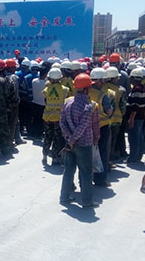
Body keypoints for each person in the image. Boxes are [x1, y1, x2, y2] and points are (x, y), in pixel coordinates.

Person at [59, 73, 99, 208]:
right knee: (86, 173)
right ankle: (87, 201)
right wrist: (73, 140)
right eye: (90, 87)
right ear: (86, 89)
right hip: (83, 144)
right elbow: (82, 127)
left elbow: (62, 122)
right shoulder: (88, 106)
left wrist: (68, 138)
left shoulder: (68, 102)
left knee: (68, 170)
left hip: (69, 143)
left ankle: (64, 196)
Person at [89, 67, 114, 186]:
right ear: (99, 81)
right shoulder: (102, 96)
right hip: (102, 127)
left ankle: (86, 179)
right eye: (103, 80)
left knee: (87, 153)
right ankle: (100, 179)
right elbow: (109, 111)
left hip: (87, 127)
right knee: (101, 153)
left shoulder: (85, 92)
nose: (104, 83)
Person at [41, 67, 69, 165]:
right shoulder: (65, 90)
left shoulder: (46, 90)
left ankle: (45, 155)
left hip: (47, 117)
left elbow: (46, 102)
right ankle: (55, 157)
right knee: (57, 138)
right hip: (59, 118)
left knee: (47, 136)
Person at [127, 68, 145, 164]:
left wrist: (131, 118)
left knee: (134, 138)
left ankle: (133, 157)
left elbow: (135, 105)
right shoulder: (143, 87)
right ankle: (138, 155)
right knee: (139, 136)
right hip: (141, 116)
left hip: (136, 117)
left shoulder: (137, 89)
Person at [30, 66, 48, 139]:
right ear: (45, 74)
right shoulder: (46, 83)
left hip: (35, 102)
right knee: (41, 121)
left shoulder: (34, 81)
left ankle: (33, 133)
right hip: (43, 104)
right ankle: (39, 134)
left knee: (35, 119)